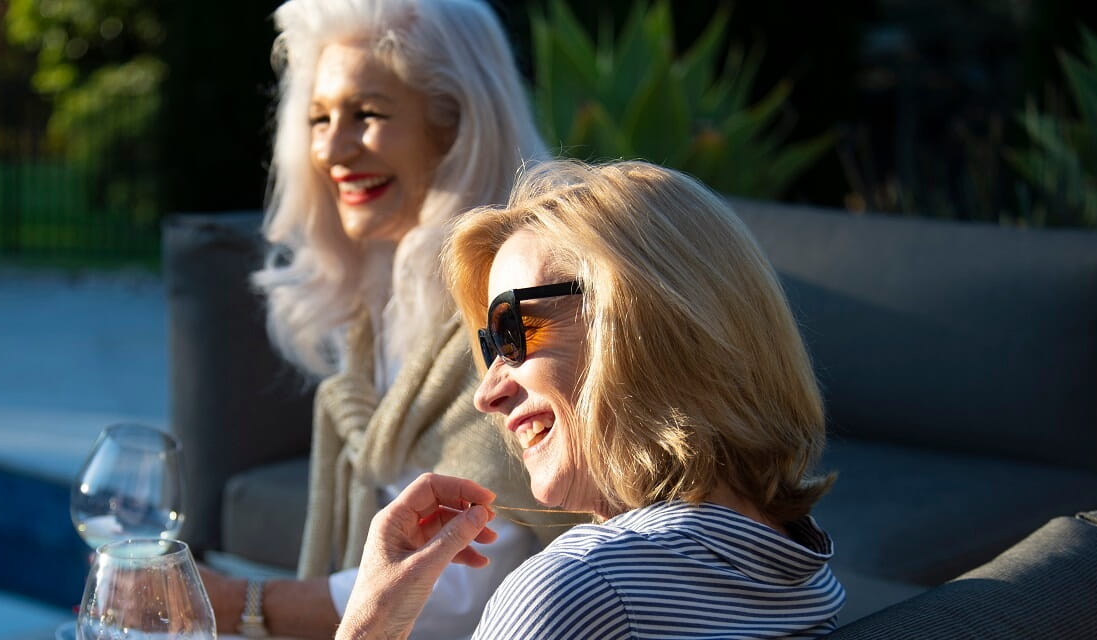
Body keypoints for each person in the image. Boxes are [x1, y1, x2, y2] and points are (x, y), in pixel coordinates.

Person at [336, 160, 846, 639]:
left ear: (641, 316)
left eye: (511, 330)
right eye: (489, 347)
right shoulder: (800, 563)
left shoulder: (576, 590)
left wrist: (369, 623)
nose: (487, 394)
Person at [195, 0, 571, 638]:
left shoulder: (514, 302)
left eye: (366, 114)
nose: (334, 150)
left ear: (453, 126)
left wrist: (238, 604)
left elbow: (469, 585)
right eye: (319, 118)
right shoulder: (379, 292)